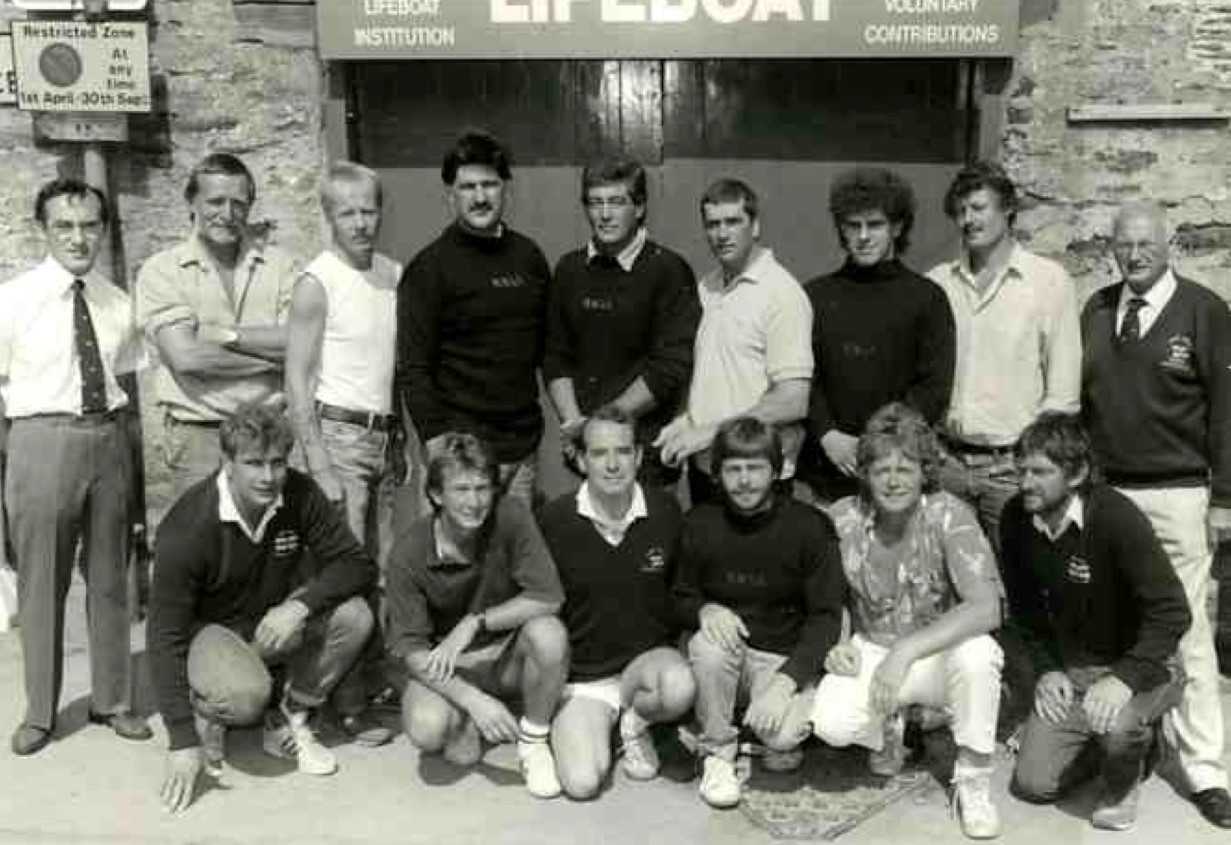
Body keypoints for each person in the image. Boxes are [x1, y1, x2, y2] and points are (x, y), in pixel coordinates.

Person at [1080, 199, 1231, 828]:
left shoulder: (1204, 310)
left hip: (1178, 491)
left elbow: (1228, 408)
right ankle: (1131, 746)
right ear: (1110, 248)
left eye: (1146, 243)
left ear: (1169, 246)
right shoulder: (1095, 310)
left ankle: (1206, 770)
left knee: (1188, 628)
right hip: (1109, 492)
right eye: (1124, 244)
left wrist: (1224, 497)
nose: (1135, 254)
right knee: (1116, 622)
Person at [148, 403, 378, 814]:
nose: (268, 477)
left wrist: (300, 606)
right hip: (210, 634)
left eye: (277, 463)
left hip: (269, 623)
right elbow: (163, 635)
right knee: (244, 695)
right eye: (254, 463)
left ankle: (292, 711)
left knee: (355, 615)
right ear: (228, 462)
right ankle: (210, 709)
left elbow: (356, 564)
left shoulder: (299, 493)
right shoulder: (188, 527)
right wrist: (181, 740)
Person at [1, 178, 150, 756]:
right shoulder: (14, 300)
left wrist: (131, 472)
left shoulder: (117, 302)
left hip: (107, 439)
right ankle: (39, 711)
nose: (78, 237)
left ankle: (112, 699)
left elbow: (130, 391)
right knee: (42, 581)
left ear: (104, 229)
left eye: (90, 225)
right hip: (40, 441)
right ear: (43, 230)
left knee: (113, 579)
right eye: (64, 225)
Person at [815, 403, 1005, 840]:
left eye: (906, 468)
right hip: (872, 645)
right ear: (864, 474)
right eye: (881, 470)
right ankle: (897, 723)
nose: (894, 480)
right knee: (831, 724)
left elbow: (986, 608)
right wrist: (838, 641)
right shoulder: (841, 518)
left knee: (981, 655)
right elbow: (827, 598)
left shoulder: (949, 514)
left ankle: (973, 781)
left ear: (925, 471)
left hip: (936, 651)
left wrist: (905, 651)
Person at [1002, 413, 1190, 831]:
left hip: (1145, 664)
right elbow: (1025, 612)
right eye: (1021, 471)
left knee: (1120, 726)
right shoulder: (1015, 519)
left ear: (1077, 473)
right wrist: (1048, 670)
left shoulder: (1116, 517)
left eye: (1040, 472)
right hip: (1075, 667)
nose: (1025, 483)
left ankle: (1123, 779)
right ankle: (1125, 746)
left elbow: (1173, 611)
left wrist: (1123, 678)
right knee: (1033, 784)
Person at [285, 161, 401, 747]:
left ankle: (371, 690)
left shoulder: (390, 274)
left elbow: (391, 367)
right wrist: (319, 462)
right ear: (329, 216)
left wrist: (398, 436)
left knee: (378, 573)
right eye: (346, 212)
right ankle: (337, 704)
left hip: (381, 437)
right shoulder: (317, 280)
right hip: (336, 438)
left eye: (368, 210)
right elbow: (297, 379)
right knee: (345, 576)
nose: (360, 222)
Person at [673, 417, 845, 809]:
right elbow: (677, 596)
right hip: (726, 655)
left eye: (755, 468)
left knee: (782, 739)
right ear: (716, 474)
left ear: (778, 469)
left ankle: (774, 710)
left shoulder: (810, 526)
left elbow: (826, 617)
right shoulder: (699, 523)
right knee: (708, 645)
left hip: (781, 657)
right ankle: (717, 751)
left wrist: (787, 682)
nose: (745, 481)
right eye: (733, 469)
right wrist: (704, 609)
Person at [386, 433, 569, 798]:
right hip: (449, 664)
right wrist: (473, 699)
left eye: (483, 488)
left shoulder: (511, 514)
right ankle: (469, 715)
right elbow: (412, 652)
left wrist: (475, 622)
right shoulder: (408, 552)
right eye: (462, 489)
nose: (474, 502)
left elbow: (549, 597)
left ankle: (533, 741)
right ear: (437, 495)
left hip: (505, 653)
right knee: (426, 729)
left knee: (549, 634)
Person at [539, 405, 696, 799]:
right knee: (581, 783)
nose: (612, 465)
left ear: (639, 456)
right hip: (584, 679)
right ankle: (599, 727)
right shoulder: (555, 520)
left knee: (678, 686)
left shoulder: (664, 510)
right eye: (598, 453)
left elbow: (683, 593)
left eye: (623, 452)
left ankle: (636, 722)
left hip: (643, 671)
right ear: (580, 459)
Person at [927, 160, 1080, 548]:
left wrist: (1034, 464)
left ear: (1007, 210)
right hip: (948, 466)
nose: (968, 220)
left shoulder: (1047, 281)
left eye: (979, 208)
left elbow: (1063, 389)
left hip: (1012, 469)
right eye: (960, 211)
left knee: (1019, 587)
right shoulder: (937, 283)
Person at [136, 152, 297, 521]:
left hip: (267, 438)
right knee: (201, 547)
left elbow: (301, 344)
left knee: (266, 548)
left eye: (239, 203)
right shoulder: (163, 271)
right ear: (191, 203)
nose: (227, 213)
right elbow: (186, 359)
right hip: (198, 438)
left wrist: (219, 336)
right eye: (215, 201)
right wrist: (273, 355)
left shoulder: (282, 266)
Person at [396, 131, 551, 508]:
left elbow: (546, 348)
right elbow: (414, 367)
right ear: (450, 194)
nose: (480, 197)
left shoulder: (529, 258)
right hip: (459, 455)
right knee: (453, 562)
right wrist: (437, 450)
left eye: (489, 185)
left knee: (509, 562)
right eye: (468, 187)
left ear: (505, 189)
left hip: (521, 450)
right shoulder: (430, 268)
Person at [801, 167, 955, 506]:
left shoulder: (927, 298)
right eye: (853, 226)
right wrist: (827, 435)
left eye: (875, 224)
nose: (864, 236)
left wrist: (883, 443)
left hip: (897, 470)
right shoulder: (816, 296)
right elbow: (803, 376)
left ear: (897, 227)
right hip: (827, 470)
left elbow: (933, 386)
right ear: (841, 229)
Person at [655, 179, 813, 506]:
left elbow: (792, 400)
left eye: (733, 222)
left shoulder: (782, 294)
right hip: (707, 471)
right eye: (713, 224)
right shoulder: (707, 287)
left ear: (755, 226)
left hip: (758, 474)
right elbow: (713, 376)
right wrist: (685, 420)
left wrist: (710, 431)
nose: (722, 233)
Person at [545, 156, 700, 488]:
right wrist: (575, 424)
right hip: (585, 454)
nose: (604, 214)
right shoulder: (569, 270)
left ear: (640, 207)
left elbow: (669, 367)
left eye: (616, 202)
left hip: (647, 457)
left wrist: (602, 425)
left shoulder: (669, 270)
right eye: (595, 202)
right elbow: (555, 356)